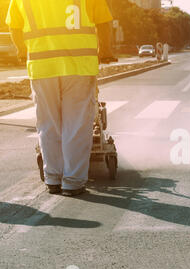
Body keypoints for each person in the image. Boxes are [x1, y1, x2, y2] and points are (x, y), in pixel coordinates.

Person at [6, 0, 114, 196]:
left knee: (48, 123)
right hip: (78, 66)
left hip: (42, 66)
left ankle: (53, 178)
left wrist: (22, 51)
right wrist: (105, 51)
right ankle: (72, 182)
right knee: (77, 124)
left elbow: (14, 26)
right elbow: (103, 22)